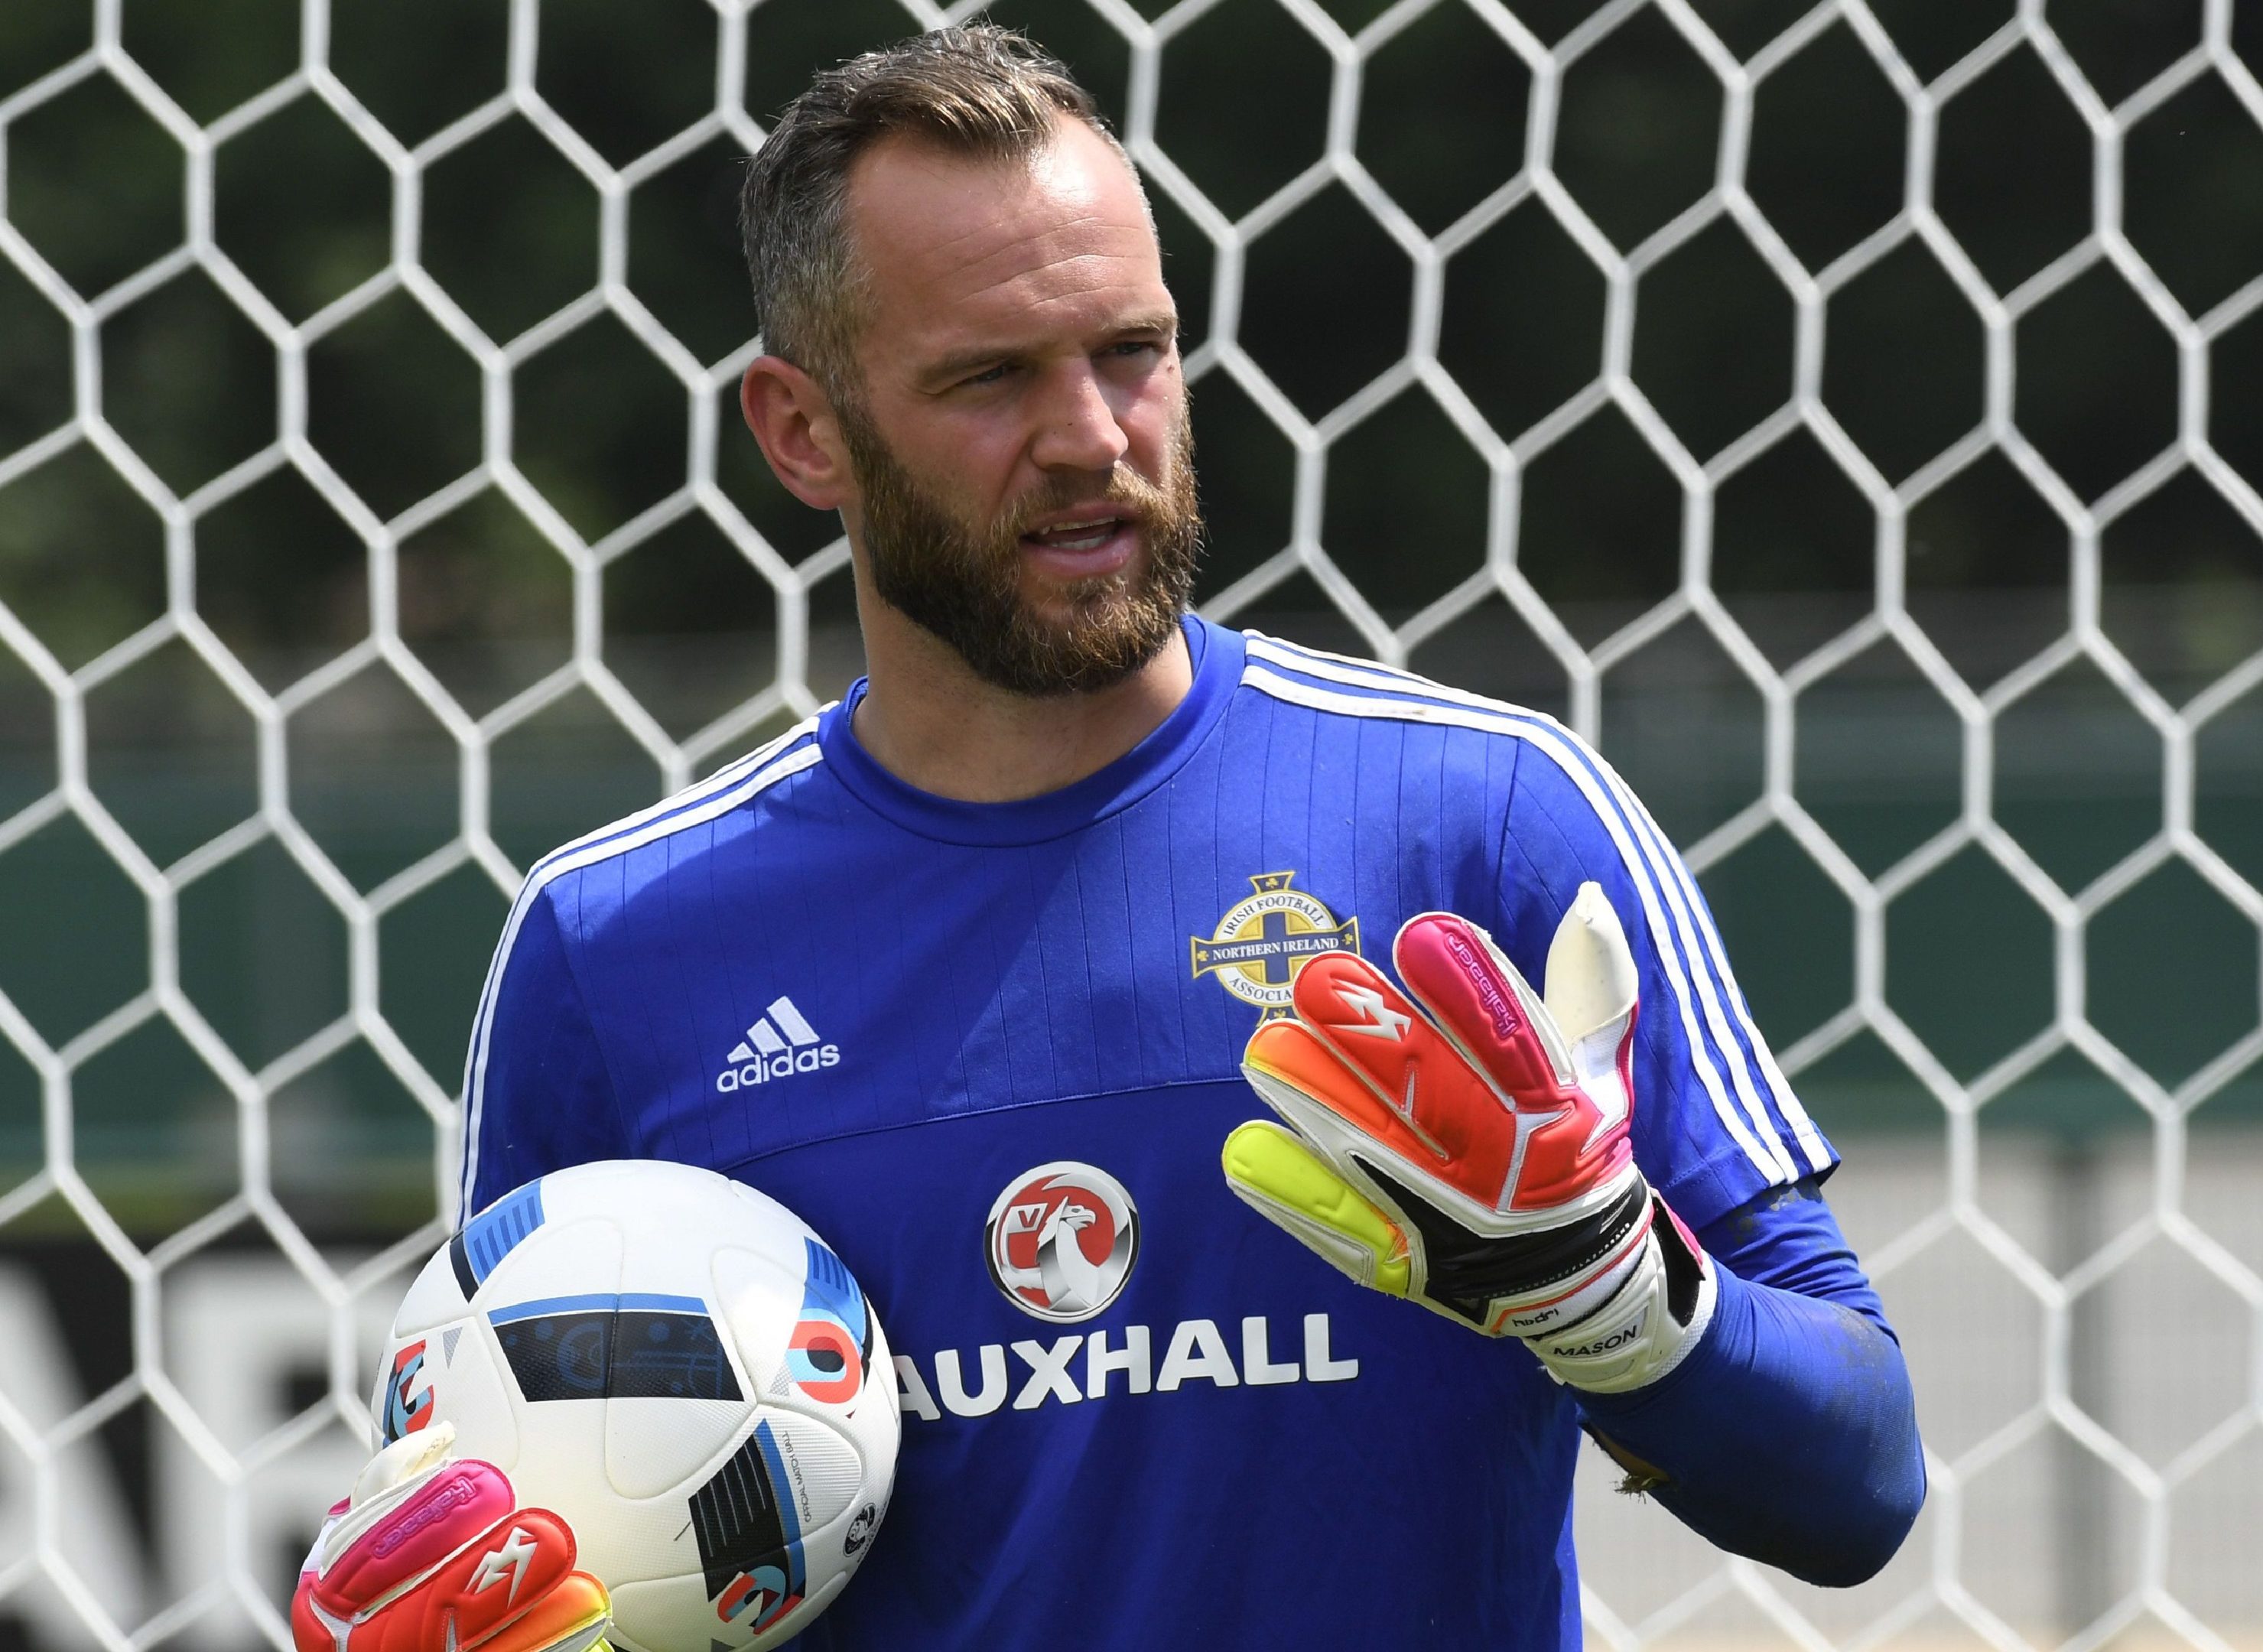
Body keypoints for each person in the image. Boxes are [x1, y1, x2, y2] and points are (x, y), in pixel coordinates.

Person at [297, 25, 1923, 1651]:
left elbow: (1860, 1489)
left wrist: (1614, 1300)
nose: (1092, 436)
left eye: (1131, 352)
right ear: (802, 434)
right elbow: (522, 1531)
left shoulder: (1479, 827)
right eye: (991, 377)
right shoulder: (619, 951)